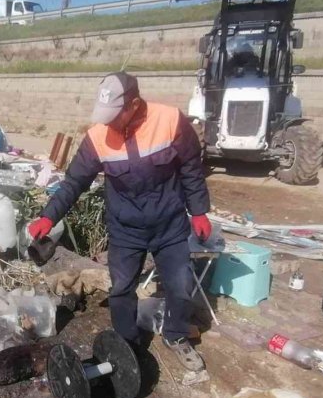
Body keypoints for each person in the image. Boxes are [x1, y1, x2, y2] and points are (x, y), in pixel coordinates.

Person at [27, 72, 212, 371]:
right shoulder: (98, 137)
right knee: (122, 289)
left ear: (133, 105)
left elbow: (191, 166)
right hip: (126, 230)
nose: (107, 122)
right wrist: (49, 216)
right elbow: (74, 182)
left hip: (169, 224)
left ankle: (176, 336)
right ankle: (127, 344)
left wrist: (199, 210)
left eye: (114, 115)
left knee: (179, 286)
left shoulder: (169, 120)